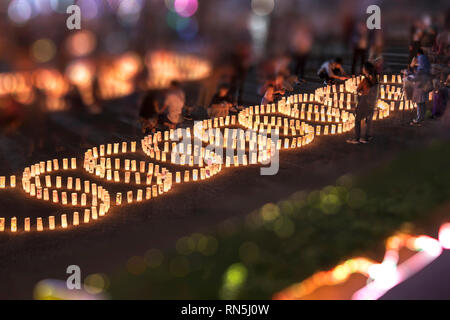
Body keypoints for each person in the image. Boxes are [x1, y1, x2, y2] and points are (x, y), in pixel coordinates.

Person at [347, 62, 378, 144]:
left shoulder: (365, 80)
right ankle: (366, 137)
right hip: (372, 102)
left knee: (357, 120)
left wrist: (360, 93)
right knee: (368, 120)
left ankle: (357, 138)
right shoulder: (375, 79)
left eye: (363, 68)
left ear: (366, 70)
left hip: (364, 102)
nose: (362, 69)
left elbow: (358, 90)